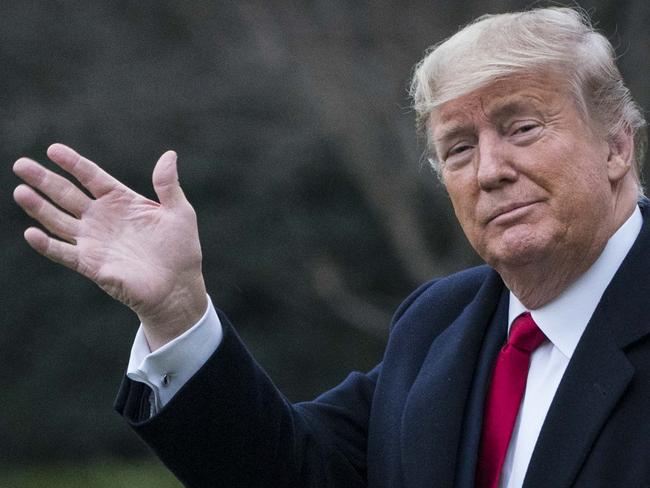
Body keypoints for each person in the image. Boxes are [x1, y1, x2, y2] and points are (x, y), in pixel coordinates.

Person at [12, 7, 650, 488]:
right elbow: (289, 472)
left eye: (524, 127)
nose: (489, 170)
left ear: (618, 145)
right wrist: (177, 312)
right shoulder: (436, 325)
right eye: (459, 148)